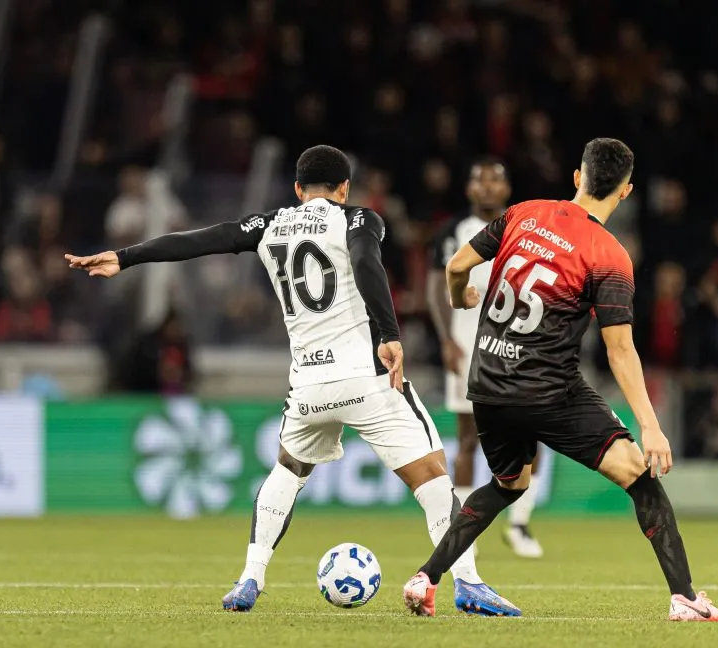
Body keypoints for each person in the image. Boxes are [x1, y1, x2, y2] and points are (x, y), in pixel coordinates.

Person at [65, 145, 519, 617]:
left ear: (298, 189)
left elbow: (199, 240)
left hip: (309, 385)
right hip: (366, 378)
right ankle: (467, 582)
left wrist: (125, 256)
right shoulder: (359, 219)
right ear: (344, 188)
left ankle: (250, 577)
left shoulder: (269, 225)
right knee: (432, 476)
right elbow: (366, 263)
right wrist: (390, 334)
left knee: (288, 470)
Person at [402, 138, 718, 622]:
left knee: (508, 484)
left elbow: (456, 266)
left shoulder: (524, 213)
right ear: (624, 193)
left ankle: (426, 578)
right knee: (641, 479)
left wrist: (458, 298)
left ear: (577, 177)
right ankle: (684, 598)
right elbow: (620, 349)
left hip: (489, 382)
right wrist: (651, 424)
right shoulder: (609, 254)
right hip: (548, 390)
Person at [428, 159, 544, 559]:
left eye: (497, 179)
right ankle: (464, 533)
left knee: (533, 436)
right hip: (467, 349)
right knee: (467, 441)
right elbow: (434, 285)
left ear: (508, 188)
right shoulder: (453, 232)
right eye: (482, 180)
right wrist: (445, 339)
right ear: (469, 190)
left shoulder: (525, 232)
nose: (490, 187)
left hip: (519, 349)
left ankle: (519, 524)